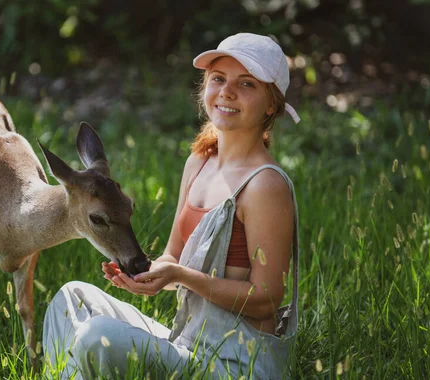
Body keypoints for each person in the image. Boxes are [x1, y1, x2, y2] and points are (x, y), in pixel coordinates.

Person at [42, 33, 301, 379]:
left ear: (272, 104)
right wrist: (151, 276)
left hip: (237, 364)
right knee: (70, 299)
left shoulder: (265, 185)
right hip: (188, 346)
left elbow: (266, 299)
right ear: (205, 88)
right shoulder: (199, 162)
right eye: (218, 79)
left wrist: (181, 277)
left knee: (96, 337)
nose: (227, 91)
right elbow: (173, 258)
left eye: (247, 84)